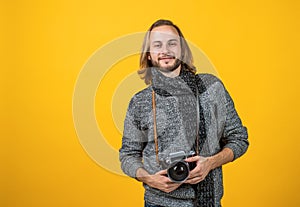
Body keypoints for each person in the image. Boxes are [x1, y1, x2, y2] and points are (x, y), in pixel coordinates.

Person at [119, 19, 249, 207]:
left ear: (183, 50)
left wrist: (210, 163)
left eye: (172, 43)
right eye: (157, 44)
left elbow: (239, 139)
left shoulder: (212, 88)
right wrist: (148, 178)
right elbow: (127, 155)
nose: (165, 50)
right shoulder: (140, 101)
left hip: (208, 202)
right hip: (158, 203)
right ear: (148, 54)